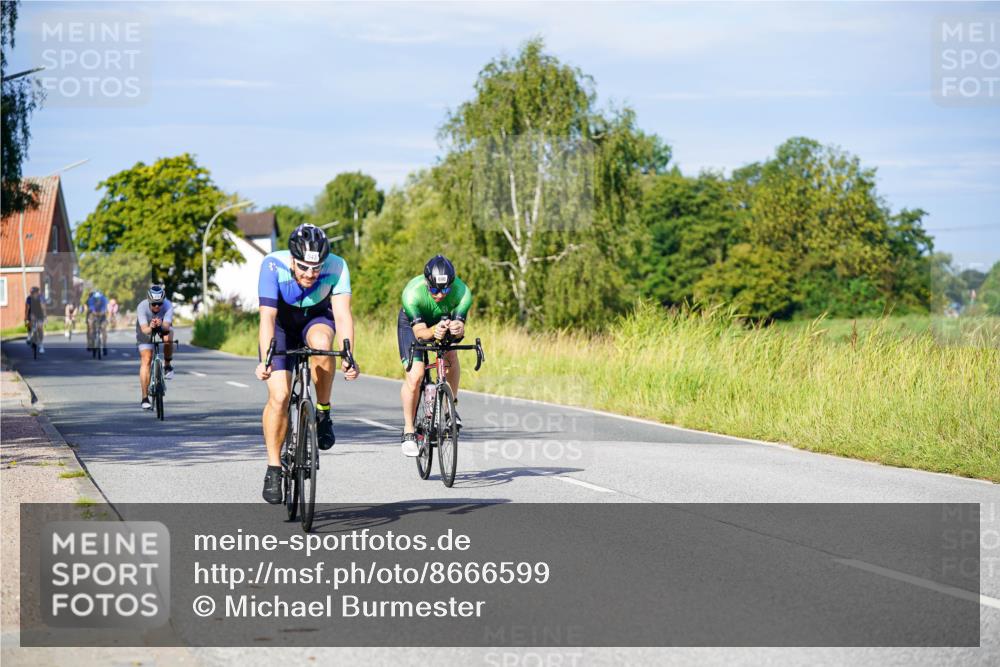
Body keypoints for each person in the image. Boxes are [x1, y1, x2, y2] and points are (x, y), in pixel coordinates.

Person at [253, 223, 359, 504]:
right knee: (280, 396)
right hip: (281, 325)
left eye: (316, 268)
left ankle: (323, 411)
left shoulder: (337, 267)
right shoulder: (272, 265)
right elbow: (267, 318)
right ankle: (274, 468)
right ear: (291, 259)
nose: (310, 274)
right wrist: (265, 359)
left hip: (316, 319)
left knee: (322, 346)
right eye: (303, 268)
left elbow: (343, 315)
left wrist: (348, 354)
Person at [397, 255, 473, 457]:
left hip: (443, 320)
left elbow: (460, 327)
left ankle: (450, 408)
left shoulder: (463, 292)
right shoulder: (412, 294)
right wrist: (433, 332)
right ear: (426, 283)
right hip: (414, 325)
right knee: (416, 375)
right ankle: (408, 430)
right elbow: (421, 333)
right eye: (434, 290)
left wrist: (457, 328)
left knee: (451, 356)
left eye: (445, 290)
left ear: (452, 284)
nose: (440, 295)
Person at [136, 285, 175, 410]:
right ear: (149, 301)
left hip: (162, 326)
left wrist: (161, 326)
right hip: (146, 329)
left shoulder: (168, 305)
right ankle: (144, 397)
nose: (157, 307)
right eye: (154, 304)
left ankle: (167, 365)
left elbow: (167, 327)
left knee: (169, 337)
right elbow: (145, 330)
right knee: (146, 359)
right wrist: (152, 327)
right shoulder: (142, 307)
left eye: (159, 304)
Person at [85, 290, 109, 355]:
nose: (97, 300)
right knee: (91, 329)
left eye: (99, 298)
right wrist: (93, 311)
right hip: (93, 314)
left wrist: (103, 311)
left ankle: (104, 346)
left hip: (102, 315)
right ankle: (91, 344)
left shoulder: (104, 299)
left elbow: (105, 306)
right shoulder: (91, 299)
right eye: (96, 298)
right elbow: (91, 306)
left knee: (104, 329)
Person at [24, 286, 46, 354]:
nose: (31, 294)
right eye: (31, 293)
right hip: (31, 312)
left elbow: (43, 307)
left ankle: (41, 345)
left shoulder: (41, 297)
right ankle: (29, 334)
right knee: (29, 321)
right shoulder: (28, 298)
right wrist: (25, 317)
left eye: (33, 293)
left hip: (39, 313)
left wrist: (45, 316)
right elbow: (27, 308)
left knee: (40, 328)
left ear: (37, 293)